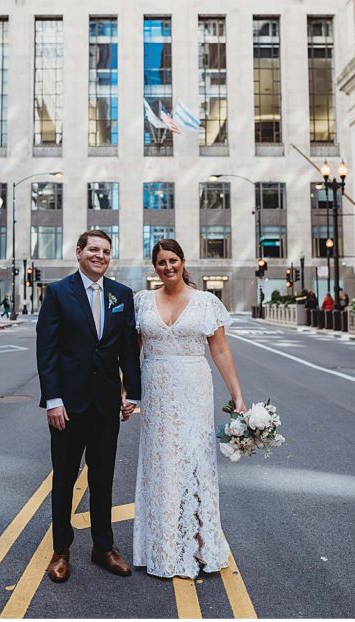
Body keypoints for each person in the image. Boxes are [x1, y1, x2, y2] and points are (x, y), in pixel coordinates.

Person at [131, 239, 246, 578]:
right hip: (156, 390)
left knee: (194, 461)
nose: (168, 267)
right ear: (155, 267)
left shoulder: (206, 302)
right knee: (162, 463)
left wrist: (237, 396)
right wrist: (127, 393)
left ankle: (198, 543)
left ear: (183, 262)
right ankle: (162, 546)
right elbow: (133, 352)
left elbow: (221, 351)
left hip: (194, 388)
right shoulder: (142, 302)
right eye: (161, 262)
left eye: (173, 260)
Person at [36, 230, 141, 583]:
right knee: (64, 479)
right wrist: (53, 400)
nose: (100, 256)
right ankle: (61, 550)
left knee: (103, 478)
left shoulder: (121, 295)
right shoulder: (58, 293)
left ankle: (103, 548)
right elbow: (47, 350)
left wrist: (132, 394)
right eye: (93, 250)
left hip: (105, 405)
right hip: (67, 405)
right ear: (78, 252)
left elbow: (127, 348)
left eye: (106, 251)